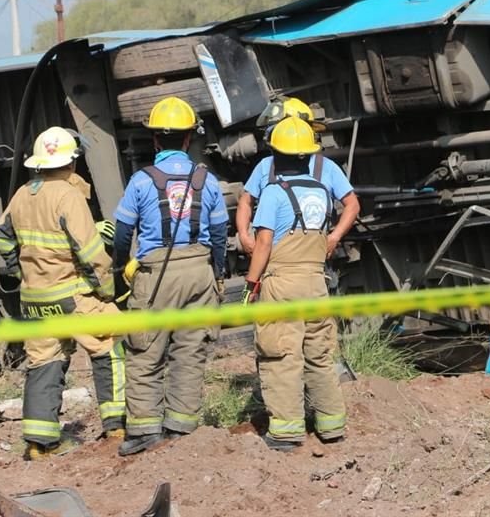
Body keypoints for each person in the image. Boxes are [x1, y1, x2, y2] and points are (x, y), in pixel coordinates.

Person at [0, 126, 125, 460]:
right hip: (73, 294)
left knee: (44, 362)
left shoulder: (23, 193)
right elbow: (90, 251)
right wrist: (106, 290)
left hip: (35, 299)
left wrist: (21, 270)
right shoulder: (69, 196)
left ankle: (40, 444)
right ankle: (118, 425)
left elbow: (3, 237)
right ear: (72, 162)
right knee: (109, 344)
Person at [113, 96, 228, 456]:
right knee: (190, 350)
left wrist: (120, 271)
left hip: (156, 273)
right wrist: (217, 273)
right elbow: (221, 234)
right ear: (188, 139)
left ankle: (145, 430)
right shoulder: (207, 181)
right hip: (199, 270)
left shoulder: (141, 181)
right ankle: (181, 426)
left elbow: (121, 233)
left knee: (145, 349)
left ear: (156, 141)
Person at [244, 116, 347, 452]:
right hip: (316, 281)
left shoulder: (274, 193)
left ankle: (287, 431)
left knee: (280, 354)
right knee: (319, 353)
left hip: (282, 282)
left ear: (277, 155)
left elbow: (263, 243)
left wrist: (252, 281)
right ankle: (331, 424)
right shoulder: (321, 191)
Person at [236, 97, 360, 259]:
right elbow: (245, 202)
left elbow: (352, 205)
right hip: (274, 256)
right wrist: (244, 236)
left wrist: (334, 237)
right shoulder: (265, 166)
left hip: (314, 258)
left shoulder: (326, 167)